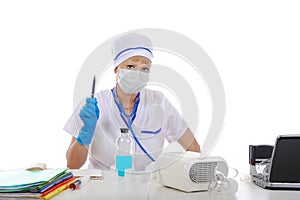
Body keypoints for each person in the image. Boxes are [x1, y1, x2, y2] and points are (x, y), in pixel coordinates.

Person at [64, 33, 200, 170]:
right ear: (116, 69)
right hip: (102, 184)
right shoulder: (93, 105)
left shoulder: (159, 102)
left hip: (147, 185)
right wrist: (86, 131)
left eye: (144, 69)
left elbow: (193, 149)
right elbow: (72, 164)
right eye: (130, 66)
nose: (137, 73)